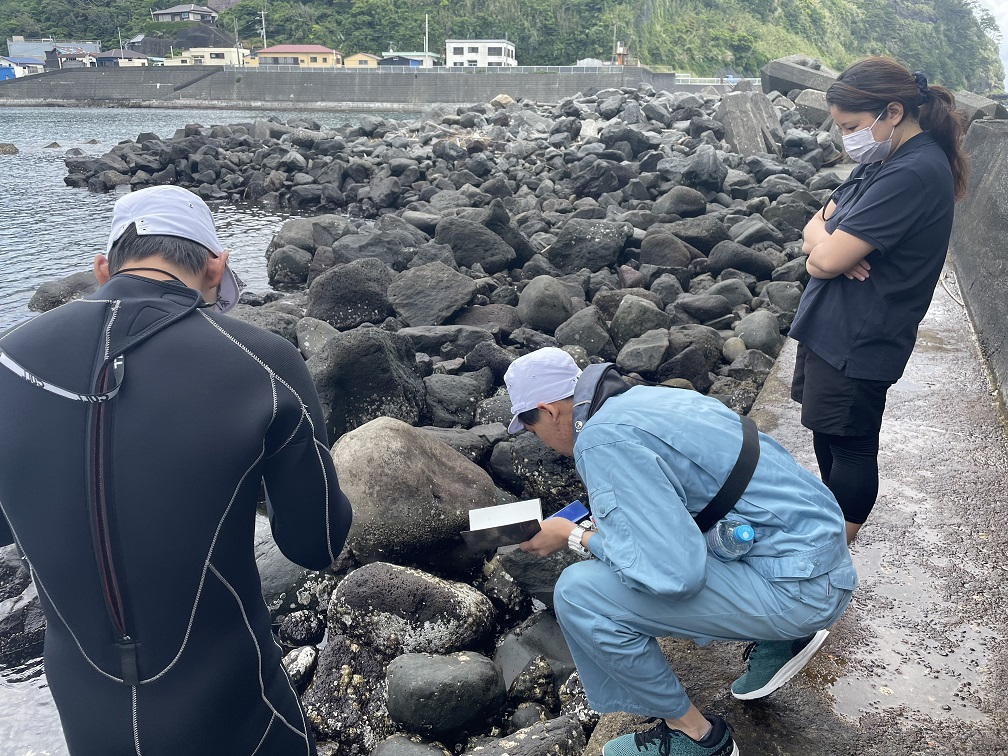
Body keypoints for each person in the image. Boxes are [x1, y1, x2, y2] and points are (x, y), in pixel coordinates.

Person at [0, 185, 353, 755]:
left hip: (88, 720)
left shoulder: (7, 360)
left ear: (101, 269)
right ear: (216, 267)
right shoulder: (266, 361)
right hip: (237, 715)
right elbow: (318, 543)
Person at [504, 347, 856, 756]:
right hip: (819, 553)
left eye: (532, 430)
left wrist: (573, 536)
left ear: (548, 411)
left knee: (578, 594)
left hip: (801, 589)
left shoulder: (599, 440)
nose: (542, 442)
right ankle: (785, 638)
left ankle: (696, 737)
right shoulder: (644, 399)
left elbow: (673, 574)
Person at [790, 56, 967, 544]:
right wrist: (828, 245)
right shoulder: (883, 161)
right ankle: (829, 533)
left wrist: (827, 252)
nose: (846, 138)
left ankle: (831, 553)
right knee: (827, 433)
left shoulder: (913, 172)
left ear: (892, 112)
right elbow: (816, 226)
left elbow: (820, 258)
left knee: (851, 444)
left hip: (863, 333)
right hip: (837, 326)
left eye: (851, 126)